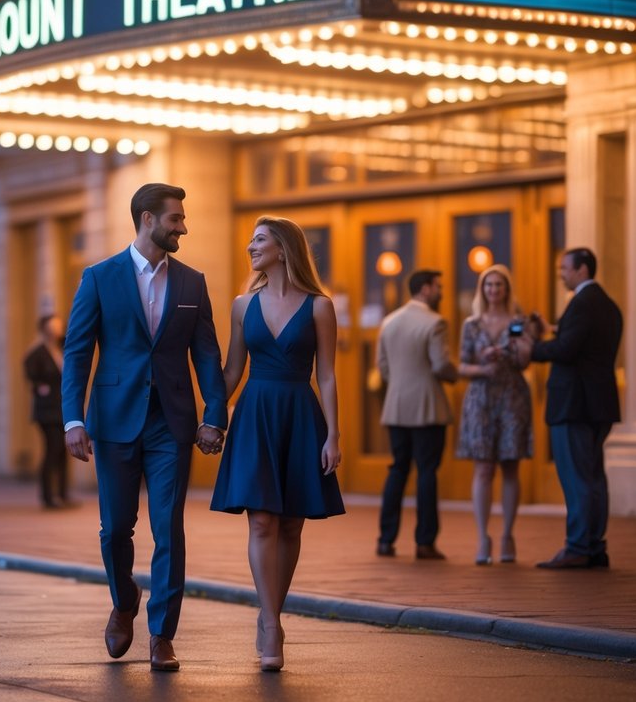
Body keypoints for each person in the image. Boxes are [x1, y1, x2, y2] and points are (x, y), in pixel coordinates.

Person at [62, 182, 228, 673]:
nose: (183, 227)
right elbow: (76, 354)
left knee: (168, 530)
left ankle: (162, 635)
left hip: (171, 425)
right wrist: (73, 419)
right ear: (147, 219)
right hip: (113, 422)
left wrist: (213, 416)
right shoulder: (99, 278)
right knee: (115, 530)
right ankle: (125, 599)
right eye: (175, 218)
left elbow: (207, 357)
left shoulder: (192, 283)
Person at [211, 216, 345, 673]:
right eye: (251, 238)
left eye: (260, 239)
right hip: (255, 415)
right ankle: (270, 623)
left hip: (300, 416)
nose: (250, 246)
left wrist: (334, 433)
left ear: (284, 249)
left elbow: (326, 374)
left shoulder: (320, 307)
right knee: (263, 521)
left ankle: (272, 614)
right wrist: (210, 417)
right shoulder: (241, 304)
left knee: (291, 526)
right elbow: (232, 371)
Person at [528, 247, 623, 570]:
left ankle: (578, 546)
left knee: (577, 478)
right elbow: (584, 345)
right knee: (594, 476)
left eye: (564, 268)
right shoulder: (608, 306)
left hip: (574, 405)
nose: (560, 274)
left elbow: (568, 350)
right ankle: (594, 546)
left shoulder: (581, 304)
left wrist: (533, 348)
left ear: (582, 270)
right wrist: (553, 330)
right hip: (599, 404)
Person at [374, 269, 457, 561]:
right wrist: (458, 373)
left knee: (397, 469)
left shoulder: (389, 321)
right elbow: (440, 365)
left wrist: (398, 383)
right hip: (428, 408)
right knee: (426, 472)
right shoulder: (435, 322)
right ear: (425, 288)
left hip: (396, 406)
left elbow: (382, 366)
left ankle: (385, 539)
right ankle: (425, 542)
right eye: (439, 286)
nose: (442, 292)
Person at [455, 265, 535, 565]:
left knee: (510, 465)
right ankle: (482, 537)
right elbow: (461, 365)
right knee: (484, 468)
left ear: (506, 289)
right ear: (482, 289)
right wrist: (482, 364)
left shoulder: (519, 321)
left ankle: (508, 535)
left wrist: (522, 347)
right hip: (481, 398)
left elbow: (526, 363)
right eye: (488, 285)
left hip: (512, 396)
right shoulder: (471, 325)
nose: (493, 290)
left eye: (499, 285)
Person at [23, 314, 73, 509]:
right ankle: (47, 496)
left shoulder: (60, 349)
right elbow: (31, 375)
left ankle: (62, 494)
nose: (58, 329)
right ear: (44, 328)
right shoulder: (37, 352)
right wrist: (39, 387)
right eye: (54, 326)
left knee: (63, 451)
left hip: (62, 408)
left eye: (59, 325)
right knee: (52, 450)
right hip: (46, 411)